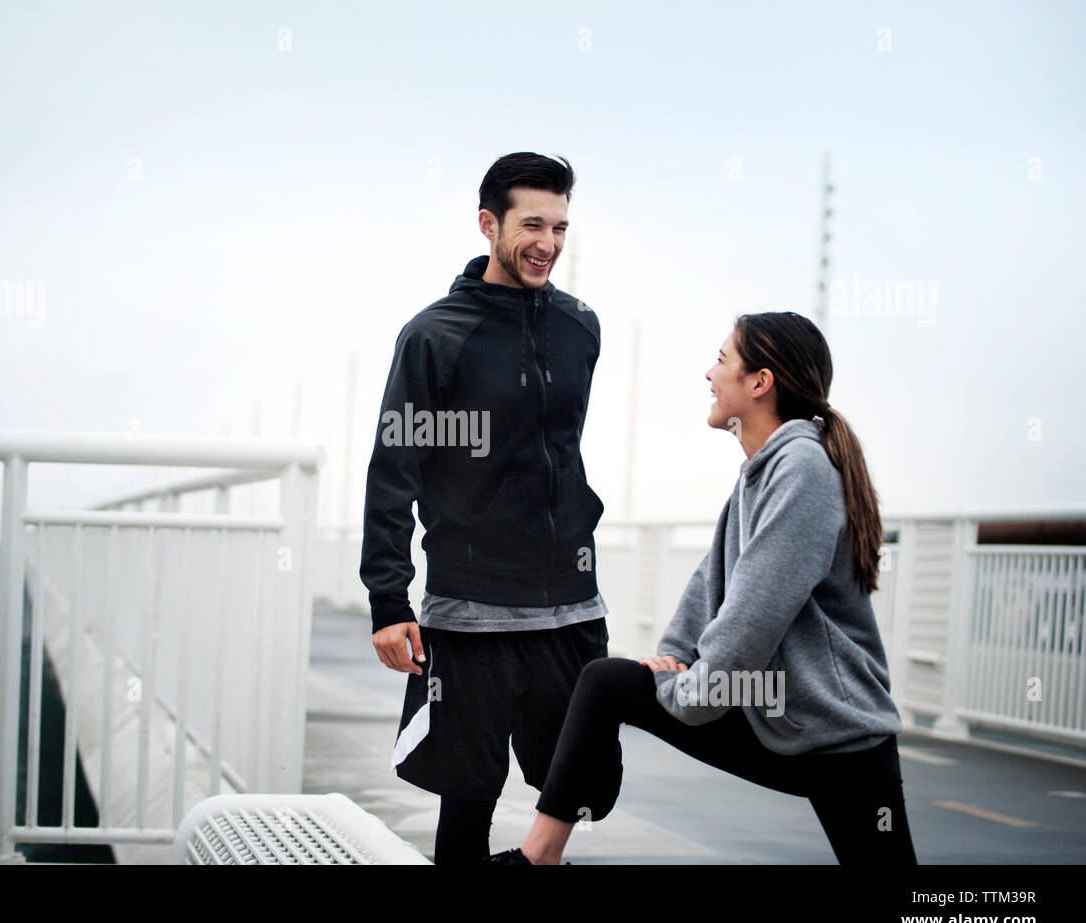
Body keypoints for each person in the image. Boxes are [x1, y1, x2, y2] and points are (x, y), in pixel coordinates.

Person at [486, 311, 919, 865]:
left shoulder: (803, 469)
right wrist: (671, 660)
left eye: (722, 360)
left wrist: (689, 690)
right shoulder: (757, 475)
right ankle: (538, 858)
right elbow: (708, 589)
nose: (708, 375)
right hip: (775, 717)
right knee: (610, 683)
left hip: (838, 736)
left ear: (760, 382)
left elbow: (753, 616)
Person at [360, 152, 609, 866]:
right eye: (533, 224)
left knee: (585, 788)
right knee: (466, 798)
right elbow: (393, 470)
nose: (549, 243)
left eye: (561, 227)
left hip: (570, 604)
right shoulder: (436, 335)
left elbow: (559, 451)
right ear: (488, 225)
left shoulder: (580, 327)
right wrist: (386, 598)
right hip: (469, 611)